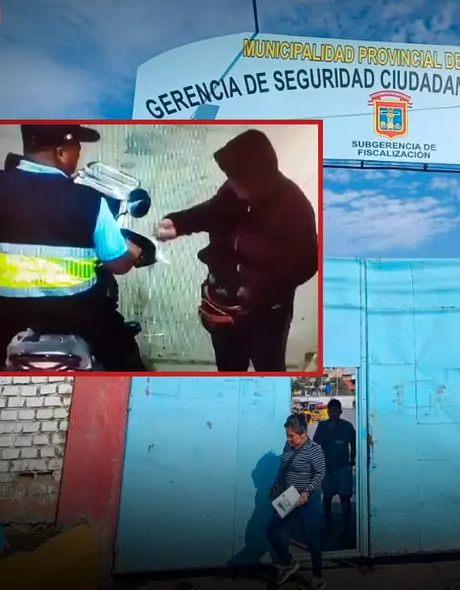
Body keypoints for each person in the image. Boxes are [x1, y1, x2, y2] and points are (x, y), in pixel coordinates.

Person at [0, 124, 146, 371]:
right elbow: (118, 264)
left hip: (4, 311)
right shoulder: (90, 199)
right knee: (123, 356)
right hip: (78, 310)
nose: (78, 156)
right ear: (61, 153)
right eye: (77, 150)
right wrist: (133, 252)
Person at [155, 129, 319, 372]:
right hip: (221, 305)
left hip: (267, 314)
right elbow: (211, 211)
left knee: (269, 369)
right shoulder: (233, 190)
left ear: (262, 175)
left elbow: (307, 262)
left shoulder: (294, 206)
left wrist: (256, 285)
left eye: (238, 179)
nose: (232, 184)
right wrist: (178, 224)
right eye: (230, 177)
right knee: (229, 368)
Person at [267, 414, 327, 589]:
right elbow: (283, 467)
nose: (288, 439)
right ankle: (288, 563)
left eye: (291, 436)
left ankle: (318, 577)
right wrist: (276, 485)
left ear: (303, 434)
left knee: (311, 536)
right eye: (287, 435)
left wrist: (307, 492)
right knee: (272, 530)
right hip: (289, 496)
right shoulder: (288, 445)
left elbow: (320, 474)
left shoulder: (315, 450)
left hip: (307, 499)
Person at [312, 398, 356, 541]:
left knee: (345, 498)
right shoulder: (323, 425)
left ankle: (346, 528)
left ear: (341, 412)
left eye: (335, 412)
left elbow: (353, 444)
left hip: (343, 466)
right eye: (330, 412)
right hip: (328, 467)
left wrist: (351, 461)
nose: (333, 414)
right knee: (328, 496)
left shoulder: (347, 426)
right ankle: (329, 522)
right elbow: (316, 442)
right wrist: (328, 431)